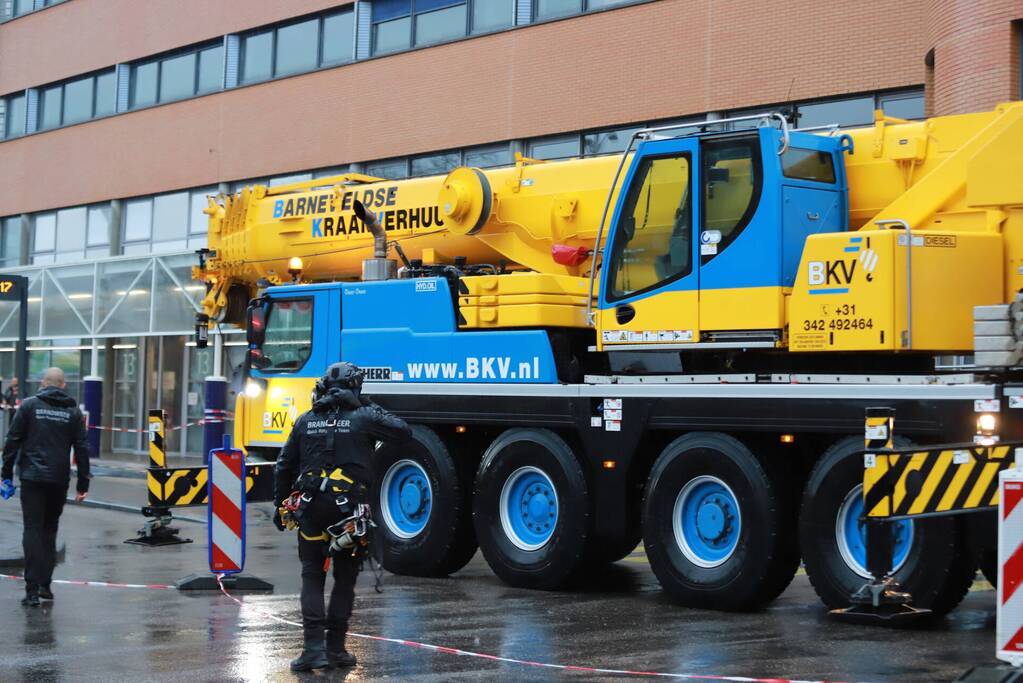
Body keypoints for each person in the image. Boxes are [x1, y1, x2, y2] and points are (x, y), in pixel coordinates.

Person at [273, 361, 410, 671]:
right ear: (355, 388)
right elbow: (402, 431)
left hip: (310, 508)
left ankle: (312, 650)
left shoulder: (306, 420)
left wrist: (280, 506)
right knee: (344, 580)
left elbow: (283, 466)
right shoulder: (363, 417)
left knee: (312, 574)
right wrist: (365, 403)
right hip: (348, 513)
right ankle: (335, 649)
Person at [1, 368, 91, 607]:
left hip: (32, 478)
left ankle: (31, 590)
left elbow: (12, 441)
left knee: (32, 530)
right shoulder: (72, 411)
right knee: (50, 530)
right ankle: (45, 585)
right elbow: (82, 448)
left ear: (43, 383)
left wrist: (6, 475)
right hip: (58, 480)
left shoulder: (29, 406)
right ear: (62, 385)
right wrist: (83, 484)